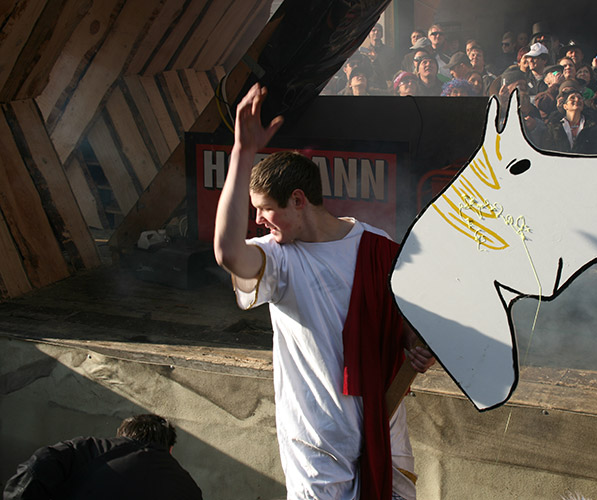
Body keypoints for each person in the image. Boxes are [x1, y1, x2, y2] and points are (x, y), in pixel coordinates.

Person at [213, 84, 435, 500]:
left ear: (298, 200)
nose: (258, 221)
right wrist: (242, 151)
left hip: (383, 424)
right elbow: (227, 252)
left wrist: (415, 343)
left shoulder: (378, 247)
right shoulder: (277, 259)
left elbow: (403, 322)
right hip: (317, 444)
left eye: (265, 208)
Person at [3, 414, 202, 500]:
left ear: (121, 435)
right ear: (170, 449)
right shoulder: (189, 488)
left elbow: (35, 467)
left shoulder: (89, 449)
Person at [543, 83, 597, 154]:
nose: (577, 99)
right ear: (565, 106)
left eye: (579, 98)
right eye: (572, 98)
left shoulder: (592, 126)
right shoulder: (554, 126)